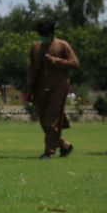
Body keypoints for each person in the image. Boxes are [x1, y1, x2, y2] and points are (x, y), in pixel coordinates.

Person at [26, 19, 78, 159]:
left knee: (51, 122)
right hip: (40, 89)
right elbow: (32, 68)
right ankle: (64, 145)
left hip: (58, 87)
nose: (43, 37)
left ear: (52, 33)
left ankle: (49, 151)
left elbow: (74, 64)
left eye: (45, 34)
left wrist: (55, 61)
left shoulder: (62, 45)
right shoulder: (36, 47)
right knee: (45, 122)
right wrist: (29, 87)